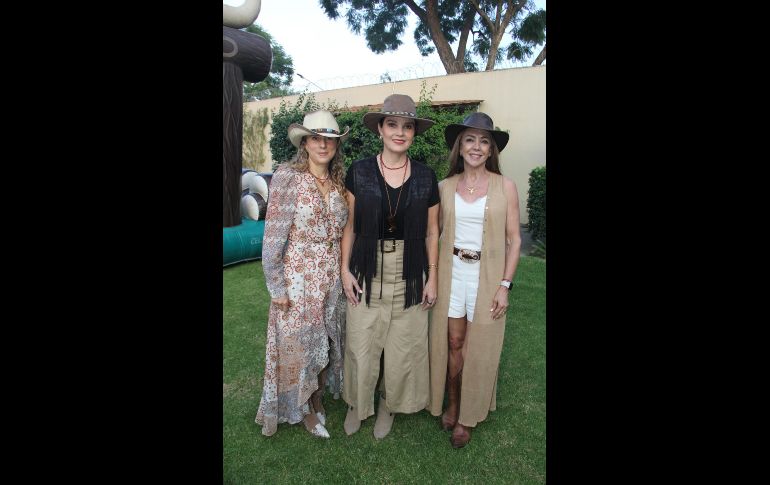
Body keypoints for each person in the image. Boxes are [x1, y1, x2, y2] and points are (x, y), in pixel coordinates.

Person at [341, 94, 440, 439]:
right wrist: (345, 271)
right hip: (367, 267)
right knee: (360, 341)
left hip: (411, 271)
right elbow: (351, 226)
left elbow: (432, 233)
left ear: (413, 133)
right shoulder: (360, 171)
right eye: (393, 124)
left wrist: (432, 279)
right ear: (380, 129)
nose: (400, 132)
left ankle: (389, 403)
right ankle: (357, 403)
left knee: (404, 344)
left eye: (407, 126)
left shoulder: (427, 177)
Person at [427, 112, 521, 448]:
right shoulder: (444, 186)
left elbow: (515, 240)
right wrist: (432, 278)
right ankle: (452, 404)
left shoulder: (504, 186)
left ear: (491, 149)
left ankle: (467, 416)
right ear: (460, 146)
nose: (477, 147)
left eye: (484, 141)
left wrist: (504, 285)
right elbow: (433, 235)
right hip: (453, 275)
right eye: (470, 139)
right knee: (453, 343)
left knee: (476, 345)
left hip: (487, 276)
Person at [254, 110, 350, 438]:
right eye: (316, 138)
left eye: (329, 140)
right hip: (298, 280)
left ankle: (317, 397)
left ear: (336, 145)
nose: (323, 145)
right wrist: (277, 286)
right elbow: (273, 238)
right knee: (300, 345)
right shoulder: (288, 177)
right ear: (305, 142)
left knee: (325, 342)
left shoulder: (339, 181)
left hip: (331, 277)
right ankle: (303, 410)